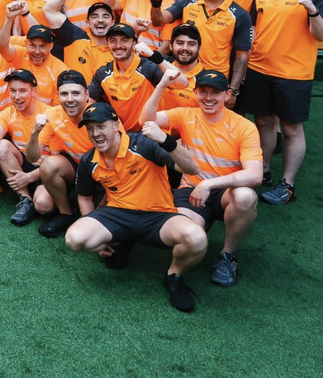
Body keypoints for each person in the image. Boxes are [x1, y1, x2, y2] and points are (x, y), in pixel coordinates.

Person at [63, 102, 207, 312]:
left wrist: (165, 140)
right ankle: (121, 242)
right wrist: (101, 242)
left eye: (101, 126)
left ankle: (174, 275)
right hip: (118, 215)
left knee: (197, 238)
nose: (95, 133)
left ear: (116, 125)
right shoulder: (88, 160)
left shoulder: (143, 144)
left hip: (158, 216)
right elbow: (84, 197)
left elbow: (192, 168)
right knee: (74, 238)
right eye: (90, 128)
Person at [142, 69, 262, 287]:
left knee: (246, 196)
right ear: (195, 93)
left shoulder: (244, 126)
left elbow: (255, 175)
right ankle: (200, 226)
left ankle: (228, 256)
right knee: (183, 235)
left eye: (215, 92)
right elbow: (146, 119)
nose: (208, 98)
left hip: (225, 193)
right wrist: (161, 85)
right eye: (203, 91)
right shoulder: (185, 115)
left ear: (227, 94)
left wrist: (209, 184)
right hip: (191, 190)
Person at [245, 0, 323, 204]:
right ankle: (264, 170)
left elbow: (322, 35)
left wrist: (312, 10)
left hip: (294, 73)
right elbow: (254, 28)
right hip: (259, 68)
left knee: (292, 129)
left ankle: (287, 185)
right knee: (263, 122)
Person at [27, 70, 94, 237]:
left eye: (76, 93)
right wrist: (35, 132)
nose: (69, 99)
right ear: (58, 96)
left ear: (86, 95)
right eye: (64, 94)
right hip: (76, 167)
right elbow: (32, 157)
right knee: (49, 164)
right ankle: (66, 214)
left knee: (93, 224)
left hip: (102, 172)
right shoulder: (52, 115)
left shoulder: (99, 115)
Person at [88, 23, 187, 132]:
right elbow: (88, 104)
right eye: (113, 41)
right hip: (121, 134)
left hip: (149, 132)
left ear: (134, 43)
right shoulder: (103, 73)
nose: (118, 45)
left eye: (124, 40)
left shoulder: (148, 68)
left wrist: (154, 56)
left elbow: (183, 83)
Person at [0, 69, 48, 225]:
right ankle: (25, 199)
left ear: (34, 91)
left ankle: (40, 198)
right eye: (13, 91)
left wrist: (30, 177)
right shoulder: (7, 113)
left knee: (44, 206)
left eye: (23, 91)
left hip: (46, 171)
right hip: (23, 164)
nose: (17, 97)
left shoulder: (49, 113)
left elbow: (60, 160)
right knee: (1, 146)